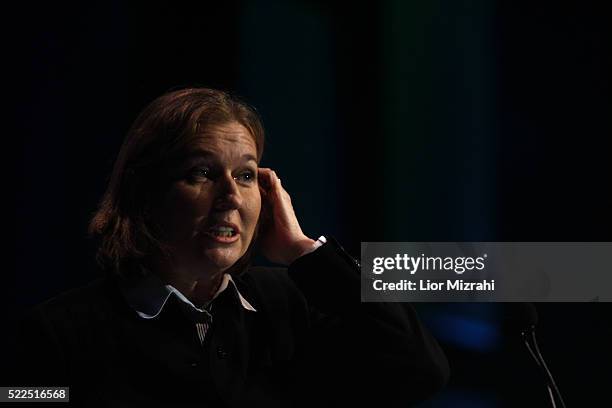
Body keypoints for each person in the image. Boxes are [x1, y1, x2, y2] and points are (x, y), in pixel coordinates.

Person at [7, 88, 449, 407]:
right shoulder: (57, 332)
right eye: (201, 173)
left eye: (245, 175)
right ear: (145, 192)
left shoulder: (289, 305)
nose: (231, 197)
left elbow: (418, 369)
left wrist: (304, 253)